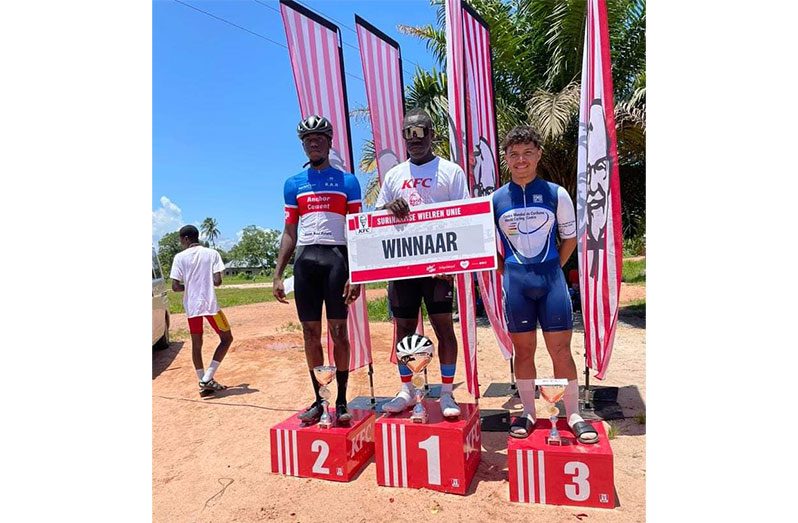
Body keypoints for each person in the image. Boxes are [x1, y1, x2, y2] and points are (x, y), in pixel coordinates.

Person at [492, 126, 599, 443]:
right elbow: (485, 245)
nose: (520, 160)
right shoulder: (496, 199)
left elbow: (570, 238)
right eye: (514, 154)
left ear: (538, 154)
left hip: (551, 281)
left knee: (561, 351)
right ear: (506, 159)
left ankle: (574, 414)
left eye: (527, 153)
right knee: (523, 352)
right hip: (516, 285)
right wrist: (507, 270)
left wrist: (554, 268)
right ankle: (528, 413)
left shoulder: (555, 193)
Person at [375, 108, 469, 419]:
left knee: (443, 327)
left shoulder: (451, 171)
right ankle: (407, 389)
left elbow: (464, 217)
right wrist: (390, 205)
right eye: (408, 134)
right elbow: (375, 219)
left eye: (421, 132)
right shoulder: (393, 175)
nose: (415, 139)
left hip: (438, 266)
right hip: (402, 266)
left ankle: (446, 393)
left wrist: (454, 263)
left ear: (432, 134)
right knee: (403, 328)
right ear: (402, 137)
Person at [273, 115, 363, 425]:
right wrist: (277, 273)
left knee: (338, 332)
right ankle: (318, 398)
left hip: (337, 260)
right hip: (305, 262)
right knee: (310, 333)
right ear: (303, 145)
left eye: (319, 137)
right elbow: (289, 231)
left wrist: (357, 272)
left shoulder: (348, 181)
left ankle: (340, 400)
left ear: (329, 141)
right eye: (307, 139)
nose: (313, 142)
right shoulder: (293, 183)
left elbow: (356, 230)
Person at [170, 225, 233, 397]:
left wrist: (190, 285)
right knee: (227, 338)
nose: (181, 243)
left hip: (192, 307)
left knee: (197, 344)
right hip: (210, 305)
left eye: (180, 240)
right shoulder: (212, 254)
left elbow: (175, 287)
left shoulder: (179, 258)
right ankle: (207, 378)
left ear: (186, 239)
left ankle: (203, 382)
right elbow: (218, 281)